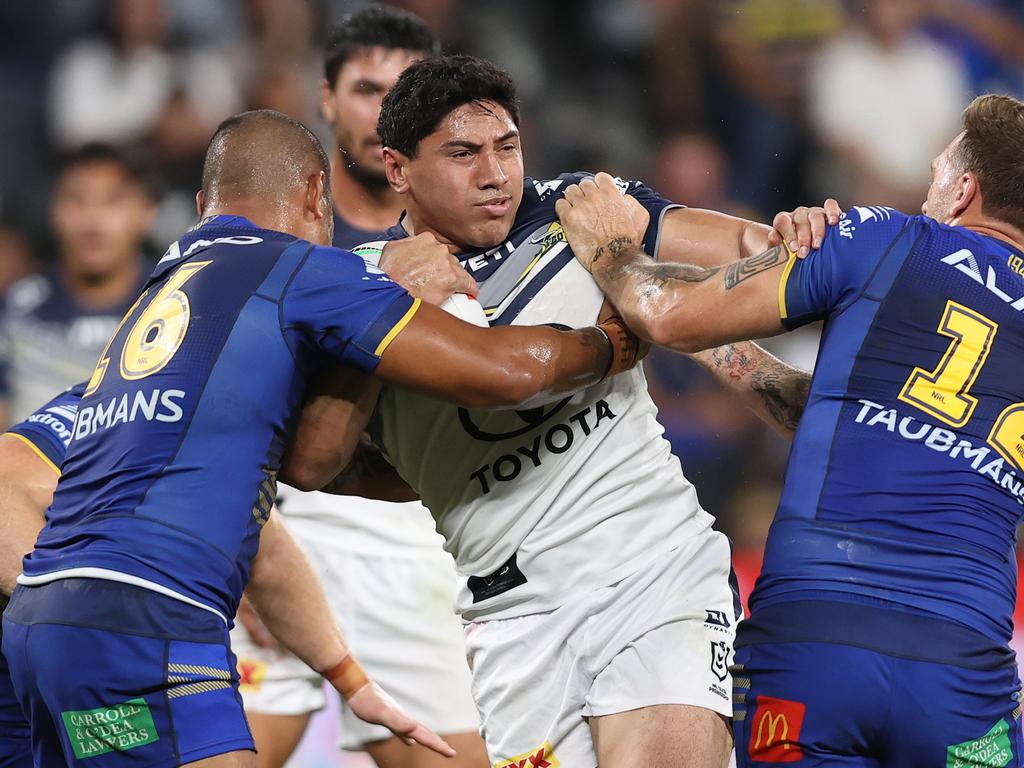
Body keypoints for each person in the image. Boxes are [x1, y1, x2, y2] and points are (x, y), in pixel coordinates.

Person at [1, 109, 639, 768]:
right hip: (150, 628)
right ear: (315, 196)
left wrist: (351, 683)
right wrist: (616, 340)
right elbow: (500, 373)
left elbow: (275, 525)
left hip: (41, 637)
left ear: (202, 208)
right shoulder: (302, 272)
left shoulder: (155, 313)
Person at [308, 54, 820, 768]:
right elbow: (330, 463)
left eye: (507, 147)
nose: (495, 175)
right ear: (397, 169)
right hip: (512, 623)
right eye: (463, 154)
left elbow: (742, 254)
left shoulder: (579, 210)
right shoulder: (360, 287)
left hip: (652, 573)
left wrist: (806, 238)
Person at [556, 94, 1024, 767]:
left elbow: (666, 314)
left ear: (964, 190)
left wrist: (611, 248)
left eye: (935, 174)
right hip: (964, 671)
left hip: (814, 638)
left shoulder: (887, 238)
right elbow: (849, 418)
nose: (926, 191)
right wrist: (723, 352)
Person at [229, 9, 487, 767]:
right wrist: (236, 539)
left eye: (403, 93)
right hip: (277, 535)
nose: (383, 114)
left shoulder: (482, 229)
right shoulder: (274, 226)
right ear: (326, 99)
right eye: (366, 89)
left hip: (408, 548)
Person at [0, 142, 155, 428]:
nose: (92, 221)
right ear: (54, 211)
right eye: (76, 200)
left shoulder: (174, 309)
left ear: (146, 213)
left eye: (112, 201)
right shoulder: (16, 308)